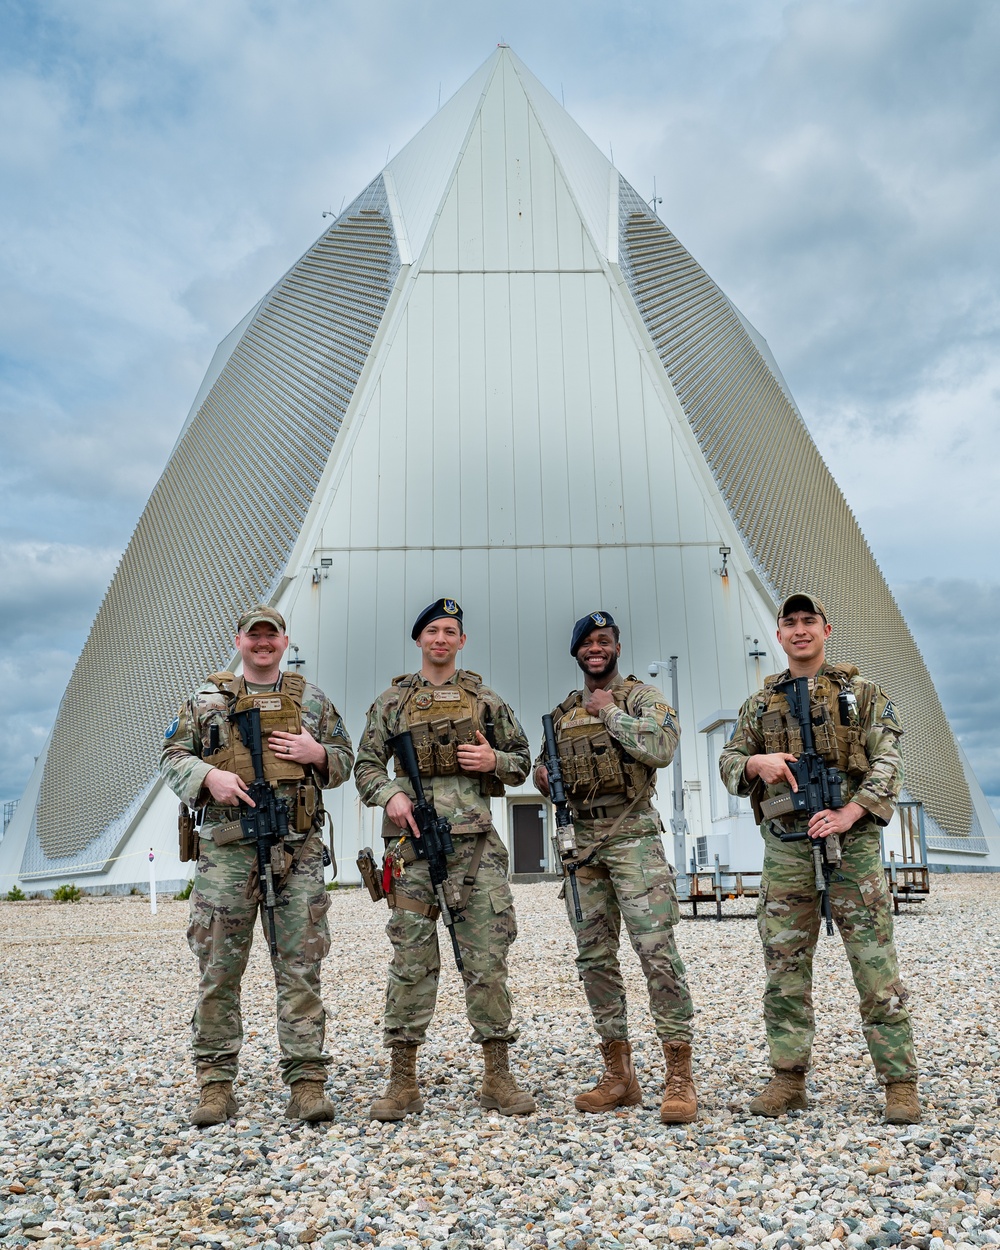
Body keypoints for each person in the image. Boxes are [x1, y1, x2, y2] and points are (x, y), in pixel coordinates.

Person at [718, 592, 920, 1124]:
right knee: (784, 968)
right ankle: (788, 1079)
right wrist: (755, 762)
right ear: (779, 635)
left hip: (851, 846)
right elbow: (728, 762)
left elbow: (890, 760)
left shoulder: (862, 693)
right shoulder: (759, 706)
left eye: (810, 621)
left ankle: (899, 1083)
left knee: (875, 966)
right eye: (791, 623)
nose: (800, 630)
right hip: (786, 849)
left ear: (826, 630)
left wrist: (853, 812)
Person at [160, 605, 354, 1126]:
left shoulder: (312, 701)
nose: (263, 644)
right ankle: (216, 1084)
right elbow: (171, 756)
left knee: (300, 966)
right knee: (220, 967)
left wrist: (318, 753)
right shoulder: (206, 701)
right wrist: (208, 777)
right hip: (227, 848)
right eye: (254, 636)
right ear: (240, 640)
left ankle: (307, 1082)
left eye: (272, 636)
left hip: (298, 849)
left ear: (285, 641)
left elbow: (345, 760)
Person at [354, 598, 535, 1120]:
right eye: (431, 630)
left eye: (450, 630)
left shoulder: (485, 701)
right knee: (411, 960)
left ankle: (498, 1077)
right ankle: (402, 1082)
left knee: (487, 960)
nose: (440, 638)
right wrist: (390, 794)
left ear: (461, 641)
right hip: (411, 851)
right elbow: (365, 763)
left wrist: (492, 760)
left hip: (476, 851)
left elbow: (522, 761)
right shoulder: (392, 703)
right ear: (418, 641)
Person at [533, 610, 697, 1124]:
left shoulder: (640, 699)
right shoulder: (560, 714)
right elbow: (548, 768)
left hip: (633, 838)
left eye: (604, 641)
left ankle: (679, 1076)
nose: (595, 649)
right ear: (577, 653)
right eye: (587, 643)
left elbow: (663, 747)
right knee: (595, 960)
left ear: (616, 649)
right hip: (582, 847)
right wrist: (542, 775)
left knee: (656, 951)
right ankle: (619, 1075)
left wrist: (609, 714)